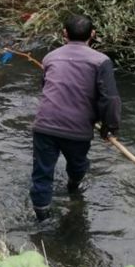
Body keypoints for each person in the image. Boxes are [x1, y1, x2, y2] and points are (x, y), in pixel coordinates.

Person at [30, 14, 121, 221]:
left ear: (64, 33)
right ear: (93, 34)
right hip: (77, 129)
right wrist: (110, 127)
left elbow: (45, 87)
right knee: (78, 166)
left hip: (44, 125)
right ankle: (73, 189)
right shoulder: (101, 61)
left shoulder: (50, 57)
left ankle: (42, 219)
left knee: (42, 174)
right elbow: (110, 99)